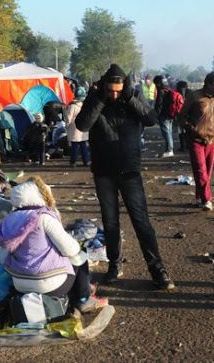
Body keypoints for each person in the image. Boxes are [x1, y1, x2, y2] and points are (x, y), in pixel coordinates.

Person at [75, 63, 175, 290]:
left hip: (130, 170)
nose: (113, 94)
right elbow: (83, 124)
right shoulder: (96, 98)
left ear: (125, 87)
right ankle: (114, 265)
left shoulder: (133, 97)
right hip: (103, 171)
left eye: (118, 90)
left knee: (142, 222)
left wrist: (129, 98)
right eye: (110, 90)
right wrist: (99, 98)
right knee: (110, 223)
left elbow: (151, 119)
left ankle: (158, 269)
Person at [0, 176, 107, 314]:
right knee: (79, 255)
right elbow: (70, 250)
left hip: (19, 284)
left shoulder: (9, 219)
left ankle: (85, 289)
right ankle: (84, 299)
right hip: (49, 285)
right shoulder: (43, 217)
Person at [177, 71, 214, 211]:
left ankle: (199, 196)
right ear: (208, 84)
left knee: (207, 172)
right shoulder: (194, 96)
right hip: (196, 139)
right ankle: (207, 199)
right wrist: (192, 129)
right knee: (200, 170)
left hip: (213, 140)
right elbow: (182, 116)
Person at [64, 87, 90, 167]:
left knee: (74, 147)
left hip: (74, 128)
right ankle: (86, 161)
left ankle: (73, 162)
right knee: (84, 146)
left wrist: (66, 125)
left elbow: (69, 118)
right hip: (83, 127)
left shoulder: (72, 105)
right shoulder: (86, 104)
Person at [153, 75, 175, 158]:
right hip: (170, 115)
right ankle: (169, 149)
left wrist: (156, 116)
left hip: (164, 115)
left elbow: (159, 105)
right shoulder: (168, 90)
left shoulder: (161, 92)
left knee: (166, 133)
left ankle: (169, 150)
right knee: (169, 132)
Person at [174, 81, 189, 152]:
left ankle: (183, 146)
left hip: (180, 114)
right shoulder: (190, 92)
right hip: (189, 114)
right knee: (187, 130)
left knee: (181, 131)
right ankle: (188, 146)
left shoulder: (176, 93)